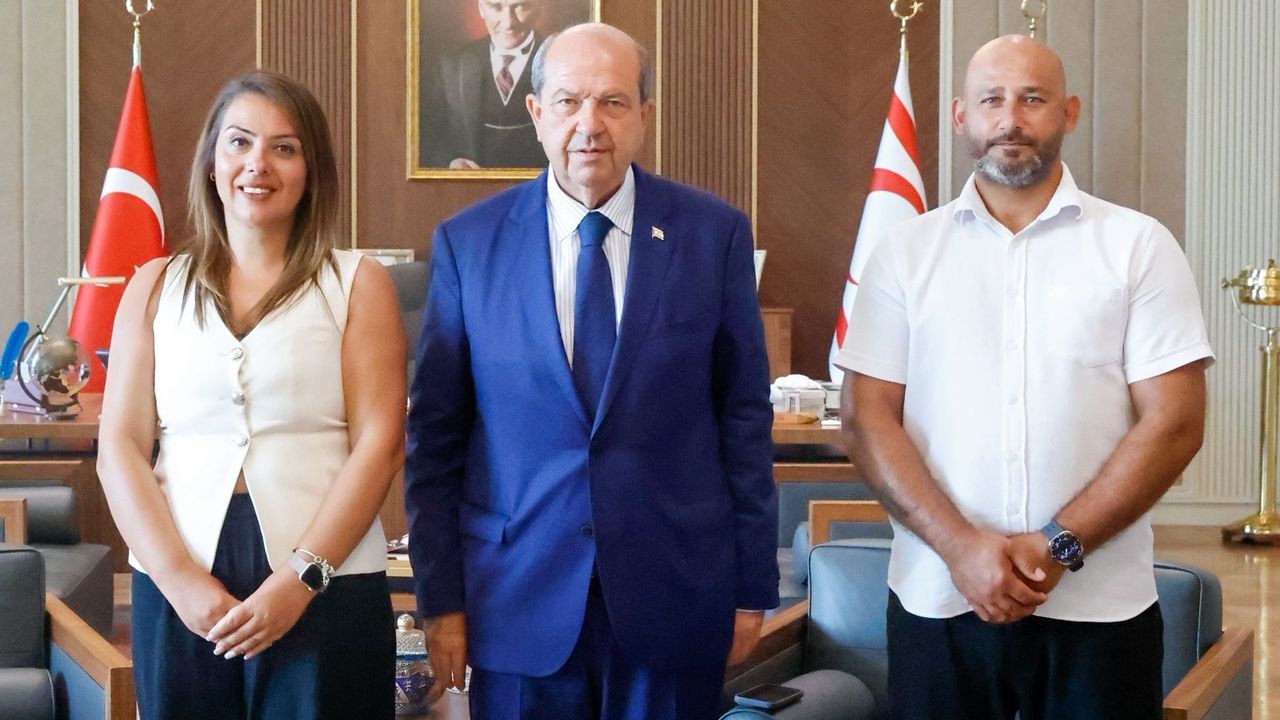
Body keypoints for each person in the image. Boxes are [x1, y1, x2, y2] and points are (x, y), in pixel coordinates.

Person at [405, 22, 779, 720]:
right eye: (569, 101)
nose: (589, 124)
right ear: (535, 112)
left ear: (645, 115)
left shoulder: (712, 236)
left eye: (612, 101)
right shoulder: (468, 245)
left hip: (674, 593)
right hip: (515, 597)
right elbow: (435, 439)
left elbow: (743, 424)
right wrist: (441, 599)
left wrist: (752, 585)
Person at [836, 35, 1213, 720]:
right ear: (961, 116)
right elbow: (866, 418)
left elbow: (1175, 422)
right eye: (992, 100)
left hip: (1100, 610)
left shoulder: (1138, 246)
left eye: (1032, 99)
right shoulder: (904, 253)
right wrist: (960, 548)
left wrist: (1058, 547)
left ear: (1069, 112)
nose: (1010, 119)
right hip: (939, 599)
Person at [97, 71, 406, 719]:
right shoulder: (153, 286)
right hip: (180, 575)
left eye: (283, 148)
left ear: (310, 171)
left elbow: (379, 444)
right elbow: (119, 447)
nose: (257, 164)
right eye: (239, 142)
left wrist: (301, 580)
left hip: (327, 574)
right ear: (212, 162)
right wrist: (179, 582)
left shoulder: (357, 281)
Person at [425, 0, 550, 169]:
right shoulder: (453, 64)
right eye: (496, 7)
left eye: (520, 6)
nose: (508, 23)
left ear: (539, 7)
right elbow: (431, 136)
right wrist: (451, 162)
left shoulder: (560, 61)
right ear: (481, 9)